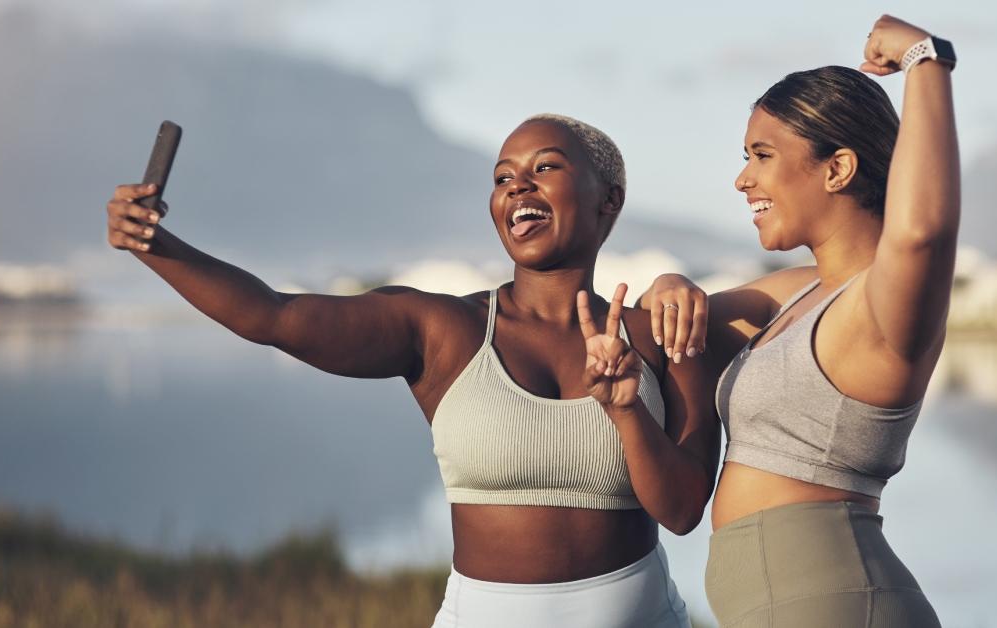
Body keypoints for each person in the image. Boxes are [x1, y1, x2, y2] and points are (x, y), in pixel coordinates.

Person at [104, 113, 718, 627]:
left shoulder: (662, 333)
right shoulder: (441, 330)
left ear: (609, 198)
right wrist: (156, 245)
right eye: (503, 177)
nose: (517, 187)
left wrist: (627, 410)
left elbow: (685, 512)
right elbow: (274, 315)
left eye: (544, 168)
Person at [640, 15, 956, 627]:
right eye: (744, 156)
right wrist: (670, 283)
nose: (742, 178)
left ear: (838, 168)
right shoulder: (798, 294)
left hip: (843, 606)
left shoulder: (885, 307)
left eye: (762, 155)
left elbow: (922, 232)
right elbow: (668, 320)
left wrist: (925, 61)